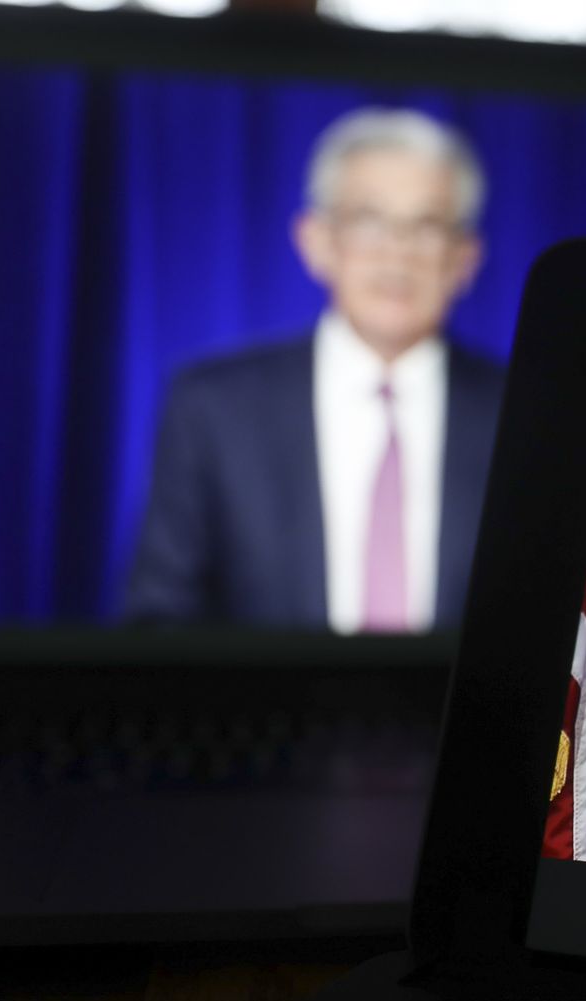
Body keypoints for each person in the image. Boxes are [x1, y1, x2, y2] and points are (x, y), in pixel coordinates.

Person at [125, 108, 503, 631]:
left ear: (465, 258)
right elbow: (159, 617)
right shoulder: (212, 407)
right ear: (317, 240)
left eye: (427, 226)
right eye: (370, 221)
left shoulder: (523, 413)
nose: (397, 253)